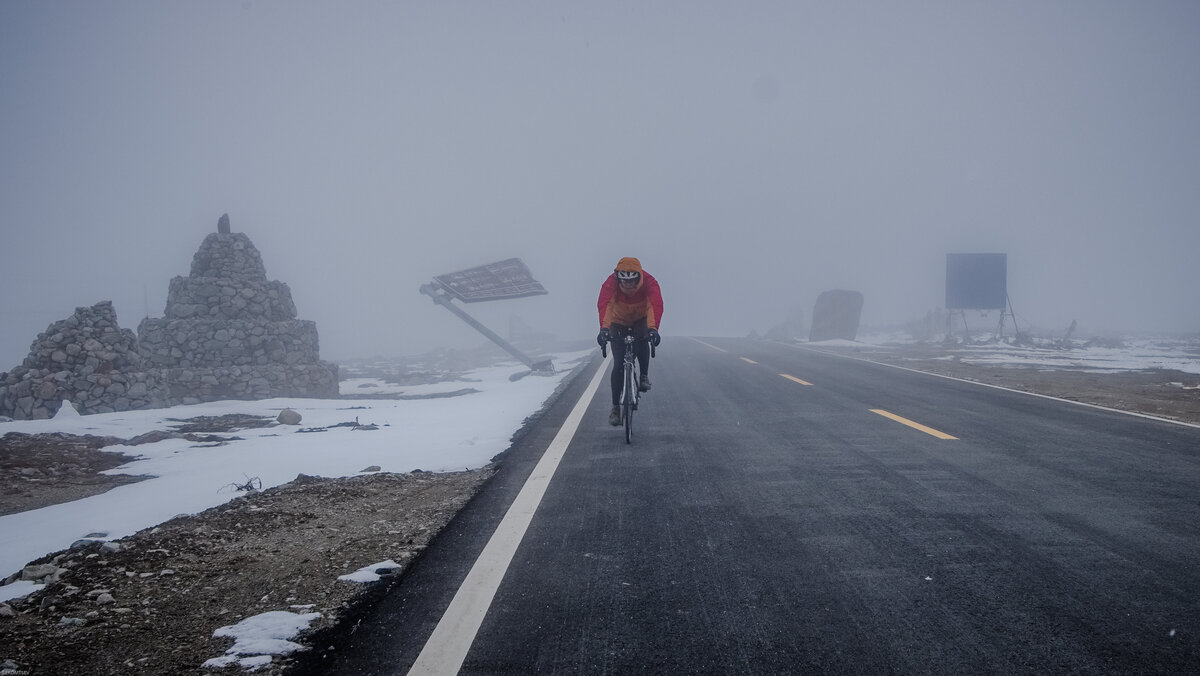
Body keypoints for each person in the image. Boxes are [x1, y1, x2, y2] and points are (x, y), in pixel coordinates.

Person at [596, 257, 663, 426]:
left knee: (643, 340)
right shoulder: (610, 284)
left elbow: (654, 305)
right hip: (618, 322)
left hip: (641, 319)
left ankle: (643, 376)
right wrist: (604, 329)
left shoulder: (650, 283)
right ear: (618, 278)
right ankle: (615, 408)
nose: (627, 286)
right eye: (624, 281)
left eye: (632, 281)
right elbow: (606, 306)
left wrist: (653, 329)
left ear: (638, 278)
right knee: (618, 364)